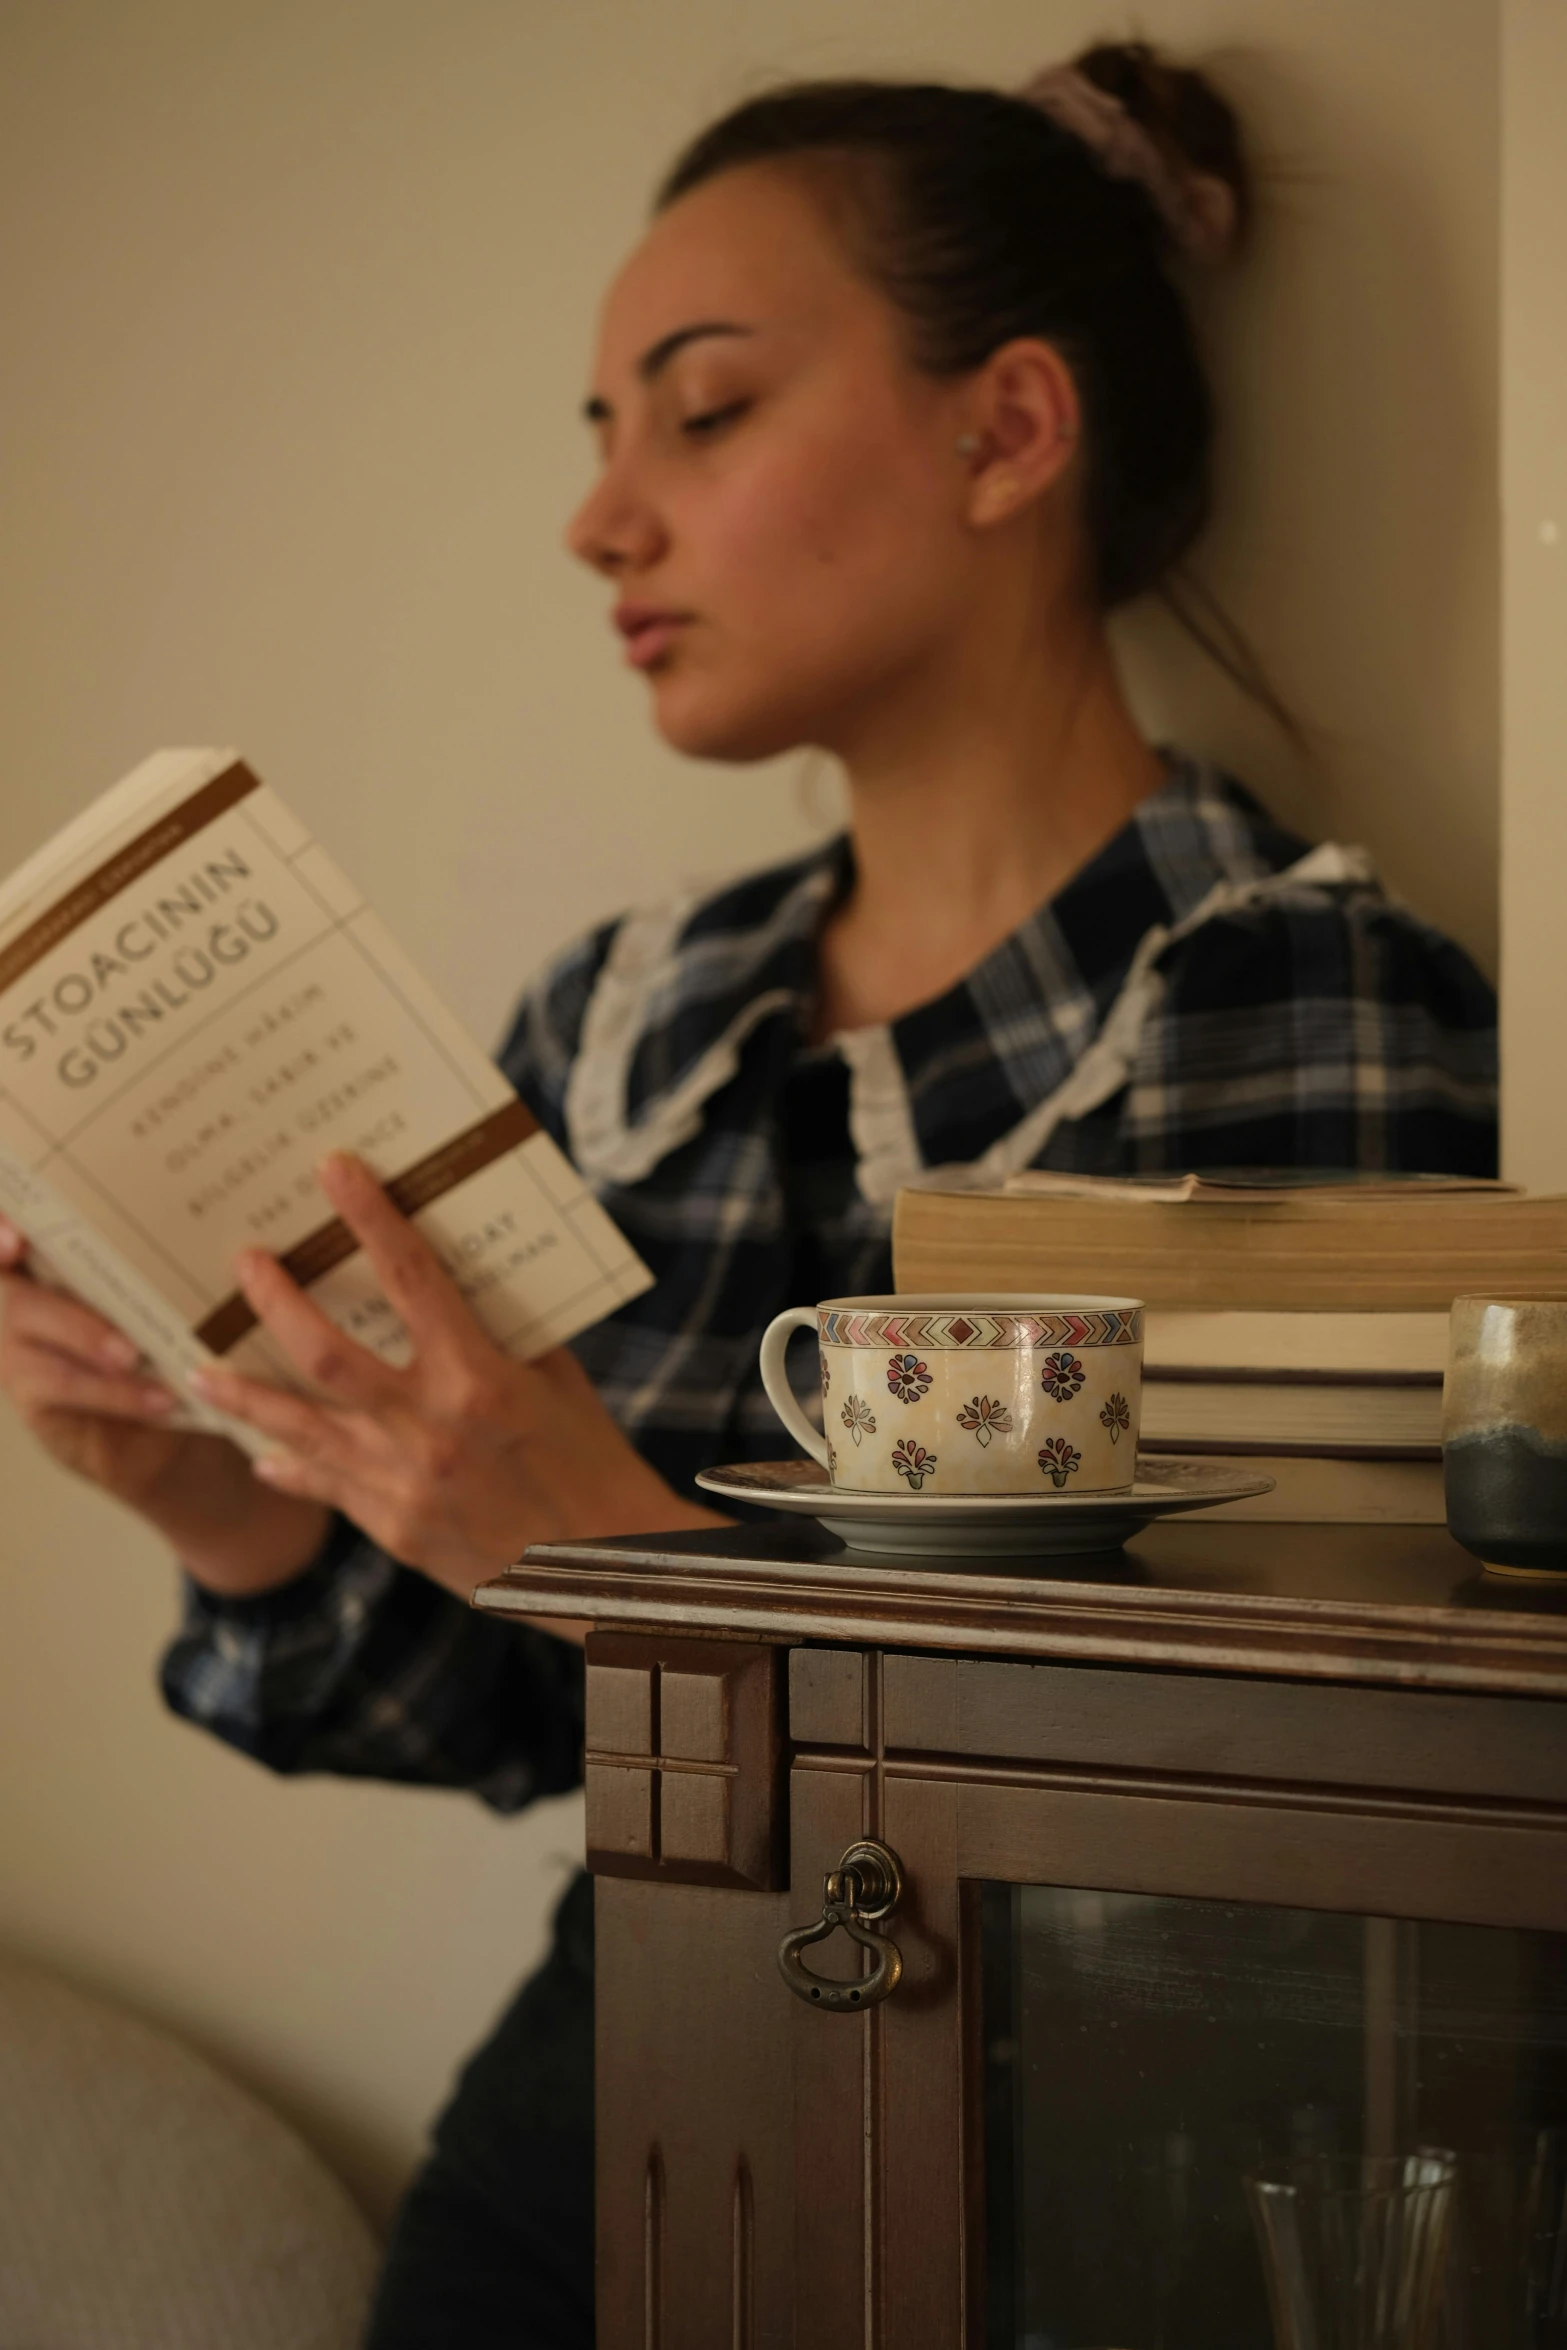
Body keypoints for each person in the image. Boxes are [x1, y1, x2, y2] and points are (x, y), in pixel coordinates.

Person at [0, 40, 1496, 2346]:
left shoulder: (1291, 1006)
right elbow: (531, 1707)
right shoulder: (629, 1013)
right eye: (600, 439)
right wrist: (229, 1497)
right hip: (612, 2079)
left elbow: (1280, 1803)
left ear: (1008, 430)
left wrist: (628, 1553)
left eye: (699, 414)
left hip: (1077, 2141)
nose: (603, 520)